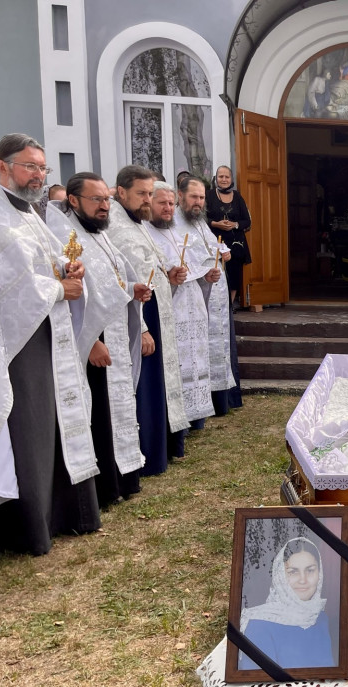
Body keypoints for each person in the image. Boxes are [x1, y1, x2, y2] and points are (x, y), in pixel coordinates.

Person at [0, 133, 101, 557]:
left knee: (57, 420)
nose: (39, 174)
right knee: (31, 425)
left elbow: (41, 259)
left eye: (43, 168)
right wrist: (57, 288)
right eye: (30, 166)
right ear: (2, 166)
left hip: (48, 331)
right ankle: (30, 526)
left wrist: (66, 265)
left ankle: (65, 514)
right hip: (17, 341)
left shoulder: (28, 211)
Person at [51, 172, 147, 508]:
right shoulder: (65, 235)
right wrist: (89, 340)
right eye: (97, 200)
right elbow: (74, 298)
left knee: (117, 406)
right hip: (92, 339)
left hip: (114, 331)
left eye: (106, 199)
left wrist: (132, 290)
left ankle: (123, 478)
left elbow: (111, 280)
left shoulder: (100, 234)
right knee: (100, 413)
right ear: (74, 201)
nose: (105, 206)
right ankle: (106, 485)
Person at [106, 168, 190, 476]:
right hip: (138, 315)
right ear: (121, 192)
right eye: (142, 194)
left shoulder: (135, 223)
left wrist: (171, 278)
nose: (147, 200)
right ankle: (147, 454)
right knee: (146, 386)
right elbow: (122, 281)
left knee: (160, 384)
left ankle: (162, 448)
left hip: (154, 309)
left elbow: (149, 271)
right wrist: (140, 328)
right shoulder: (115, 227)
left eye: (149, 193)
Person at [147, 181, 216, 425]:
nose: (167, 208)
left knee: (195, 356)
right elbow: (147, 275)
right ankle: (176, 419)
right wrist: (170, 278)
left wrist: (206, 276)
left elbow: (192, 266)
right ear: (148, 202)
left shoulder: (174, 230)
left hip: (192, 304)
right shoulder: (146, 232)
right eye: (161, 203)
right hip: (170, 309)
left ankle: (195, 416)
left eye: (169, 203)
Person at [179, 177, 238, 415]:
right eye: (194, 196)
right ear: (180, 196)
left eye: (202, 197)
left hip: (215, 294)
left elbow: (212, 246)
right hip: (194, 296)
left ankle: (220, 402)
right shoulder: (174, 223)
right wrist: (204, 272)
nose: (198, 202)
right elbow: (179, 258)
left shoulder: (200, 222)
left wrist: (222, 252)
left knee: (218, 345)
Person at [239, 537, 335, 670]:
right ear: (280, 576)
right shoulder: (258, 626)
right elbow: (258, 685)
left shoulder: (319, 616)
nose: (303, 580)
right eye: (293, 572)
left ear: (320, 572)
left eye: (310, 570)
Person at [206, 165, 252, 308]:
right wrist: (215, 224)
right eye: (221, 176)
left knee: (234, 276)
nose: (224, 179)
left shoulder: (237, 196)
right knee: (217, 274)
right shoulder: (208, 195)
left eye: (227, 177)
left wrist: (235, 224)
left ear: (231, 179)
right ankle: (216, 307)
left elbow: (247, 221)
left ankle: (229, 307)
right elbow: (201, 219)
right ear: (216, 178)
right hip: (215, 243)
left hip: (236, 244)